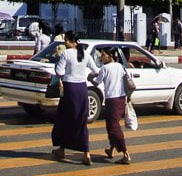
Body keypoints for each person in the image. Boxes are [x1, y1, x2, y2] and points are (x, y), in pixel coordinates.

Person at [51, 31, 99, 165]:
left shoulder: (66, 53)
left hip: (70, 88)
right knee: (80, 120)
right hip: (82, 89)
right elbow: (96, 70)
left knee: (64, 118)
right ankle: (86, 153)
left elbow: (59, 72)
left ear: (72, 41)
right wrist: (88, 77)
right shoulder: (85, 54)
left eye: (66, 40)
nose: (65, 43)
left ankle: (62, 148)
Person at [89, 48, 131, 164]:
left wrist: (90, 78)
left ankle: (125, 153)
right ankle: (111, 149)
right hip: (121, 98)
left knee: (113, 127)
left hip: (112, 100)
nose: (101, 57)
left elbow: (97, 83)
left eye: (103, 55)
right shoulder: (119, 66)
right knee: (111, 125)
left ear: (110, 56)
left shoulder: (104, 68)